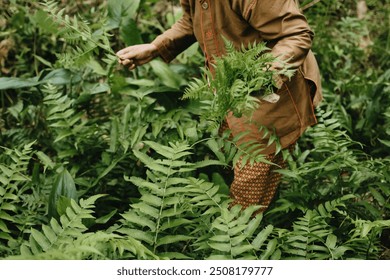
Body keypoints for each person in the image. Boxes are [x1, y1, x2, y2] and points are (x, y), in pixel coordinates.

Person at [116, 0, 322, 213]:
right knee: (236, 164)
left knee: (247, 195)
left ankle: (243, 239)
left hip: (272, 99)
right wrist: (156, 47)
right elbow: (191, 20)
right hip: (230, 94)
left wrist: (258, 77)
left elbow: (296, 35)